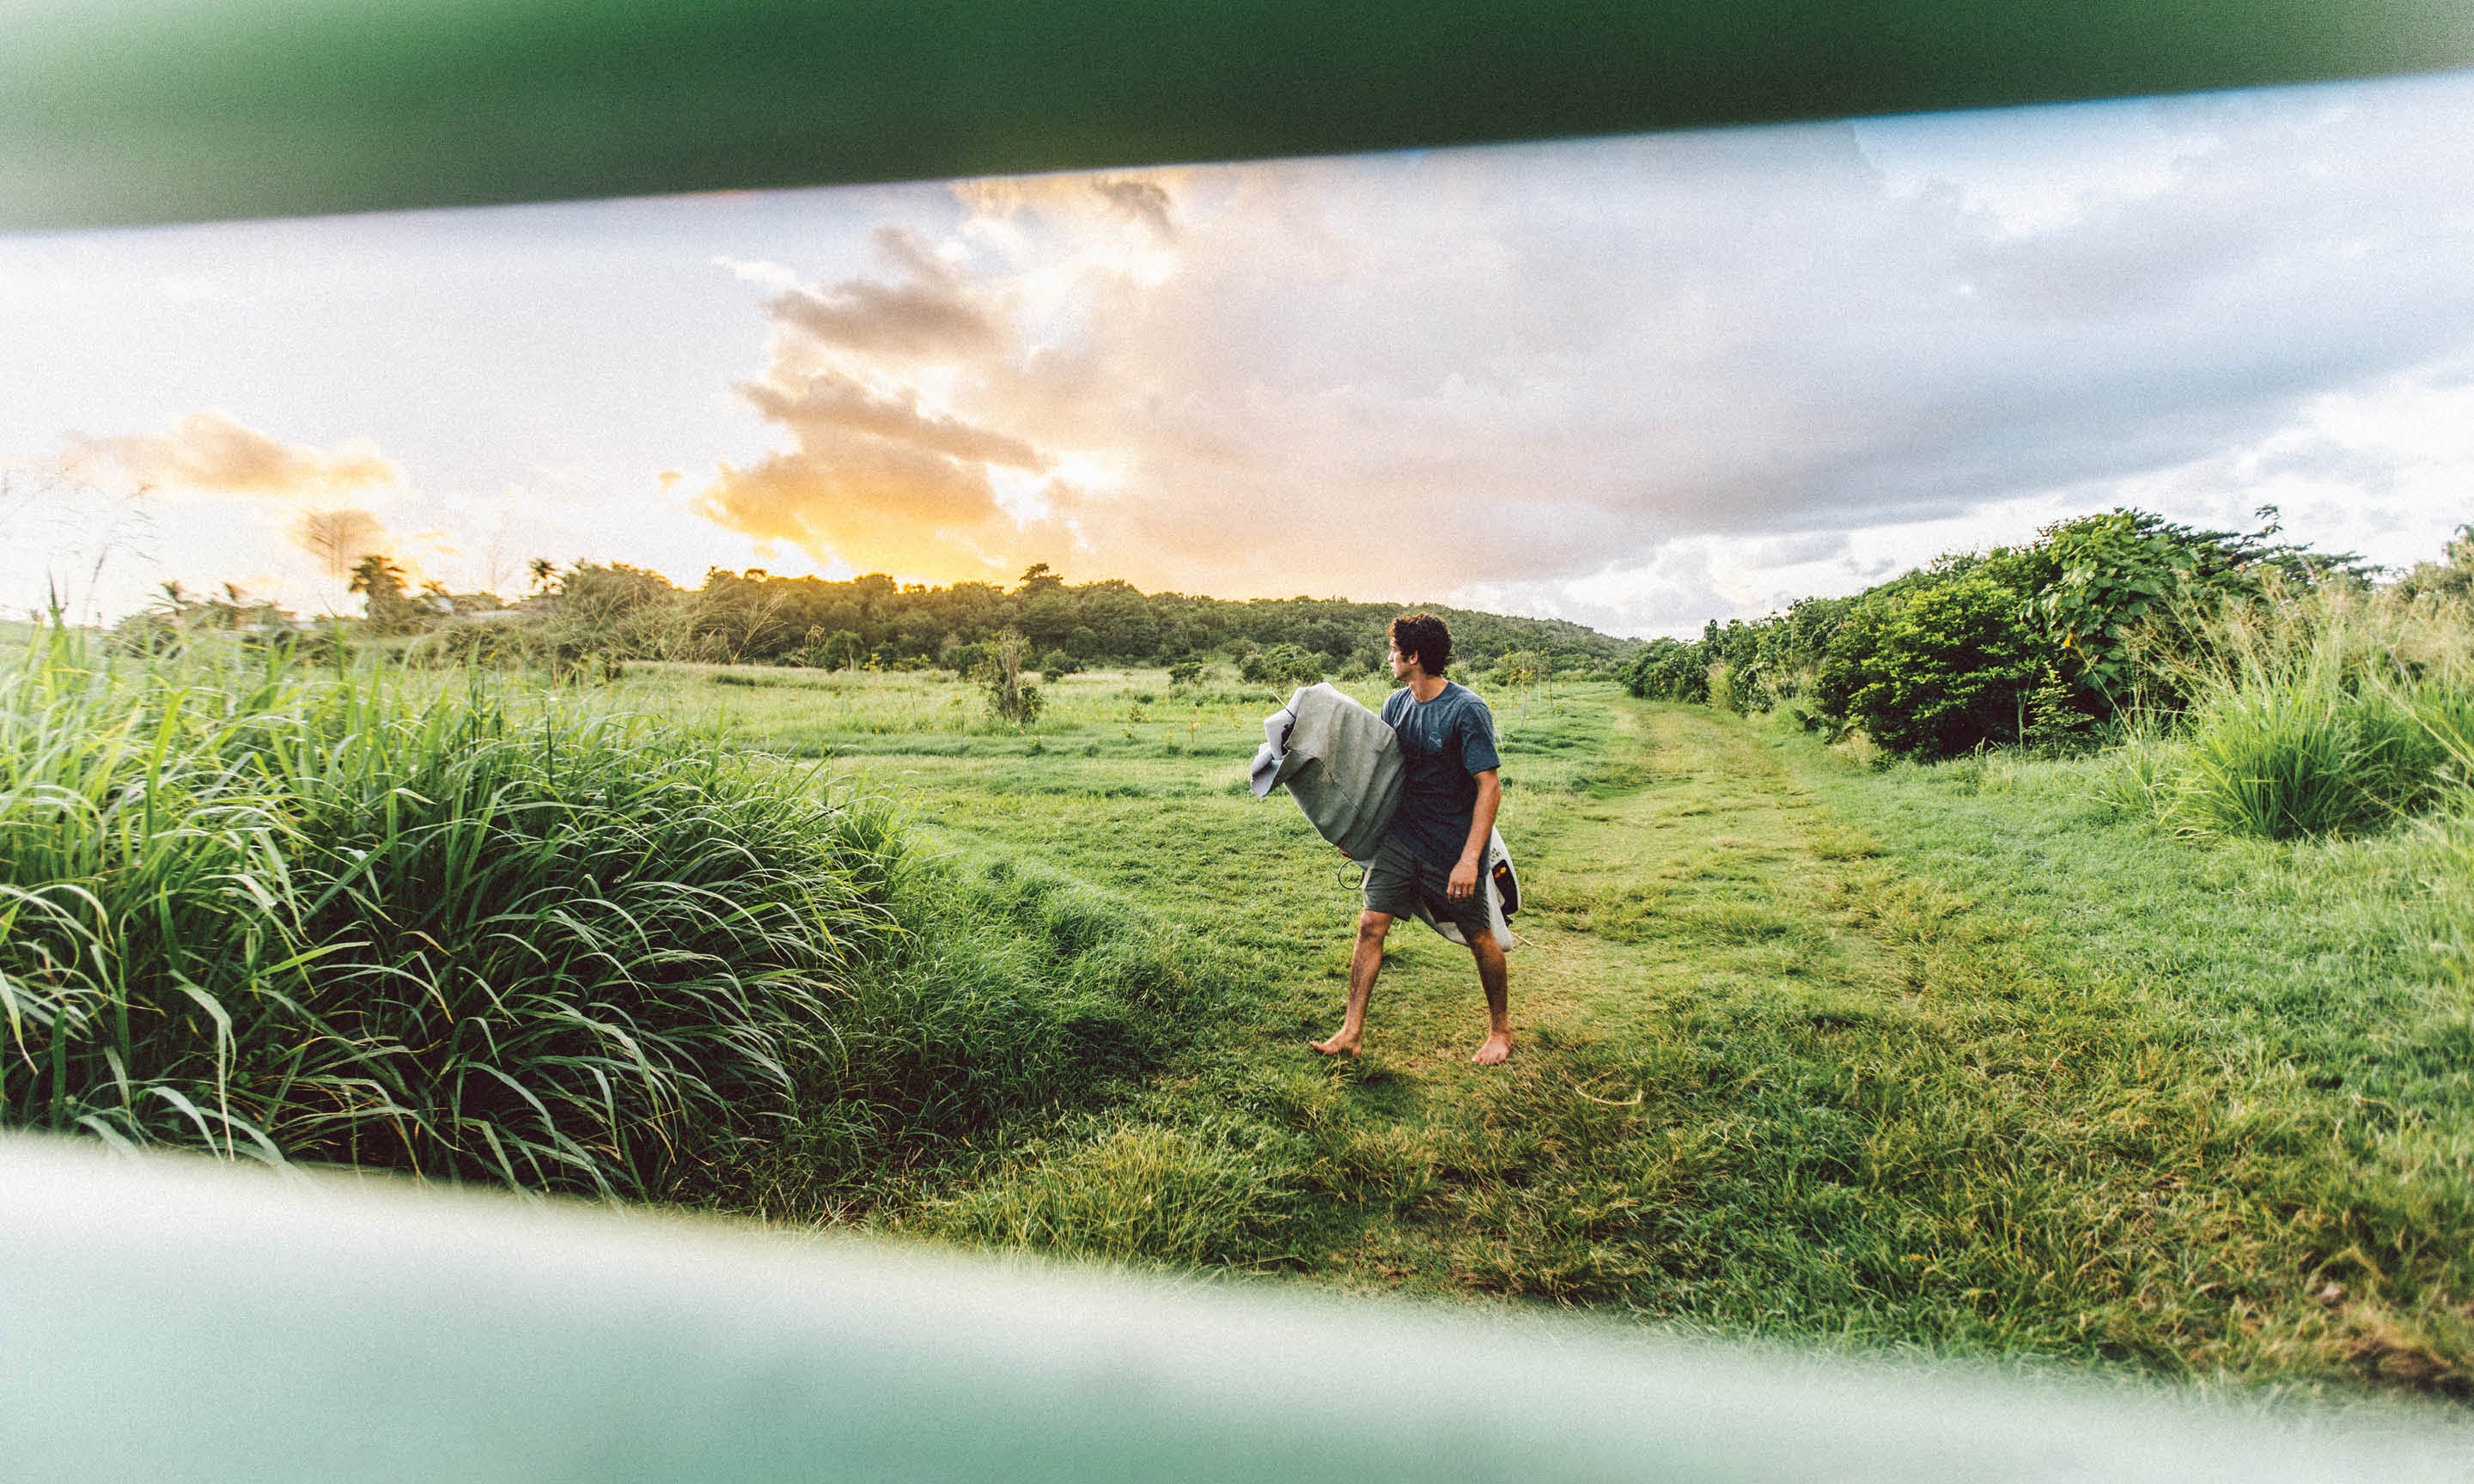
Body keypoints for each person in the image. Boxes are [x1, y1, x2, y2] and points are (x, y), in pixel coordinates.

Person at [1312, 612, 1513, 1066]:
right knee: (1370, 926)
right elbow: (1384, 778)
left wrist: (1469, 859)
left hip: (1450, 847)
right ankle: (1351, 1032)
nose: (1390, 657)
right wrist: (1358, 831)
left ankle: (1501, 1030)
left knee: (1480, 935)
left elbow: (1489, 786)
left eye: (1395, 649)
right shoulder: (1395, 705)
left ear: (1415, 656)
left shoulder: (1467, 709)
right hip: (1400, 840)